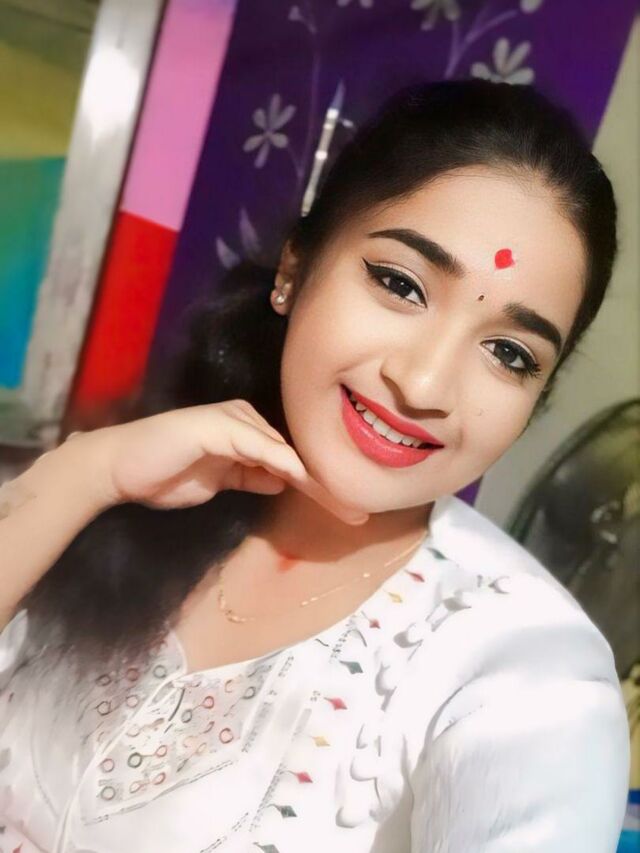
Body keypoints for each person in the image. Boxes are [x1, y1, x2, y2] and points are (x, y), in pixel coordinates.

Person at [0, 79, 631, 852]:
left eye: (508, 353)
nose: (424, 384)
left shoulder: (527, 672)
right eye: (400, 284)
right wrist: (86, 474)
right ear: (294, 270)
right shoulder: (147, 488)